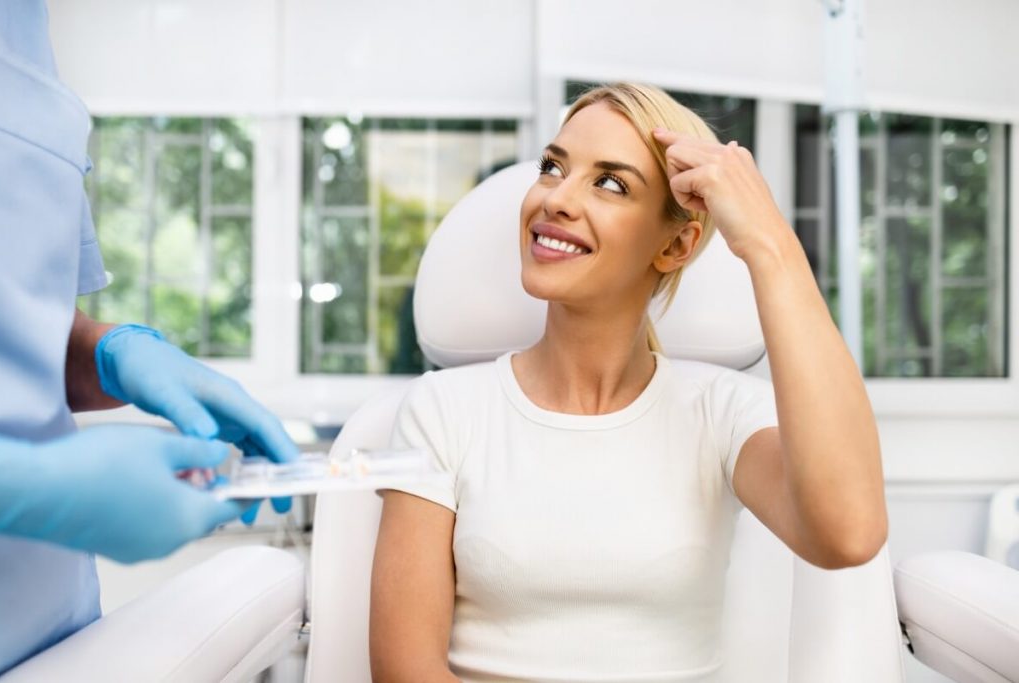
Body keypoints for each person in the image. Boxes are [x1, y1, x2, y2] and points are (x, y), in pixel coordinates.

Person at [369, 83, 888, 682]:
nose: (556, 199)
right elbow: (405, 672)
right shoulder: (441, 411)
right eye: (552, 167)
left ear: (675, 245)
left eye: (610, 183)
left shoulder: (722, 412)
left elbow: (849, 533)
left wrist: (769, 245)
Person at [0, 1, 297, 675]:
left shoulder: (27, 35)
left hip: (53, 630)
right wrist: (28, 487)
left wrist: (117, 355)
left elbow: (26, 336)